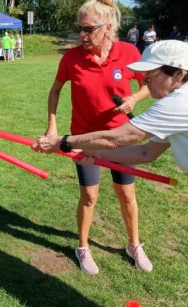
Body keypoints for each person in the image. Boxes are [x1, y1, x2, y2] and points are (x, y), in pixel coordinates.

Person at [33, 0, 151, 275]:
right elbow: (55, 91)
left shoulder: (129, 52)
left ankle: (134, 245)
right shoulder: (72, 58)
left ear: (108, 27)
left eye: (88, 29)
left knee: (127, 194)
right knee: (89, 195)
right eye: (80, 29)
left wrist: (134, 97)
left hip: (120, 139)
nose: (82, 35)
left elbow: (146, 85)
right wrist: (52, 127)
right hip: (84, 139)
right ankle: (83, 247)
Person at [34, 40, 188, 192]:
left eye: (151, 75)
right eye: (145, 76)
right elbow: (146, 152)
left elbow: (117, 138)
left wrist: (62, 142)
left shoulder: (178, 103)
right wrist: (93, 154)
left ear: (179, 75)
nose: (146, 81)